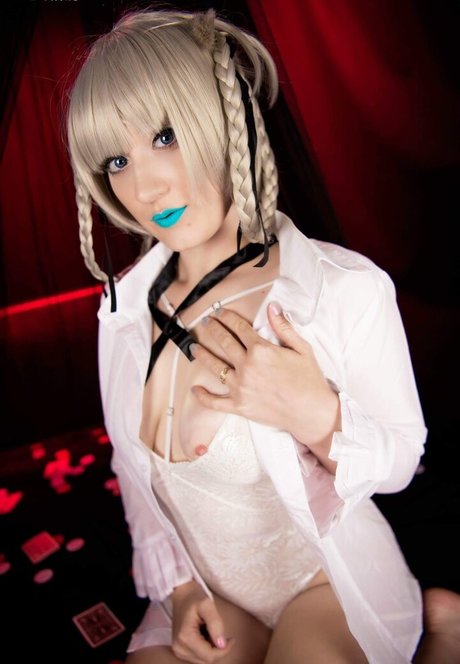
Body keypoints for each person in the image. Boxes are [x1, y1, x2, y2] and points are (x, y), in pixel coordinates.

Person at [66, 7, 460, 663]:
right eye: (116, 159)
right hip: (213, 594)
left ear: (224, 118)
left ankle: (441, 629)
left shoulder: (341, 289)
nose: (146, 186)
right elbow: (132, 474)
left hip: (325, 584)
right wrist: (178, 590)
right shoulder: (122, 314)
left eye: (165, 135)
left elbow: (400, 460)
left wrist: (315, 412)